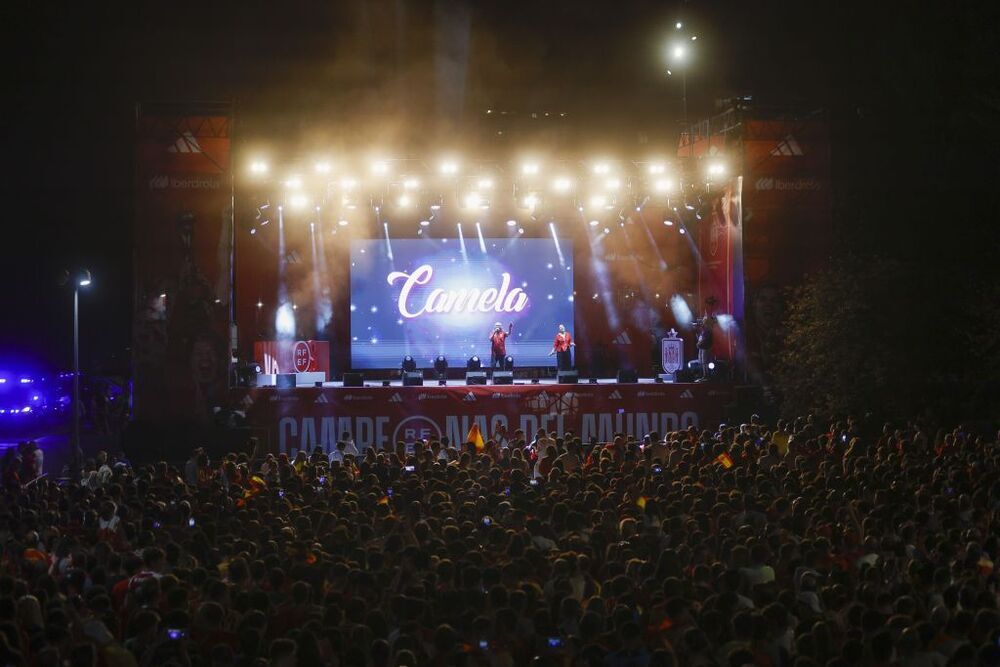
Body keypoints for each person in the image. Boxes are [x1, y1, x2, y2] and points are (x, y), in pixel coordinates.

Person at [695, 313, 715, 381]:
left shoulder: (708, 330)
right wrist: (697, 332)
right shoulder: (704, 330)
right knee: (702, 361)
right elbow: (700, 338)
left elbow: (705, 339)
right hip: (702, 347)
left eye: (703, 321)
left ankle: (706, 375)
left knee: (705, 361)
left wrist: (700, 343)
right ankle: (704, 375)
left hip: (705, 347)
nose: (702, 322)